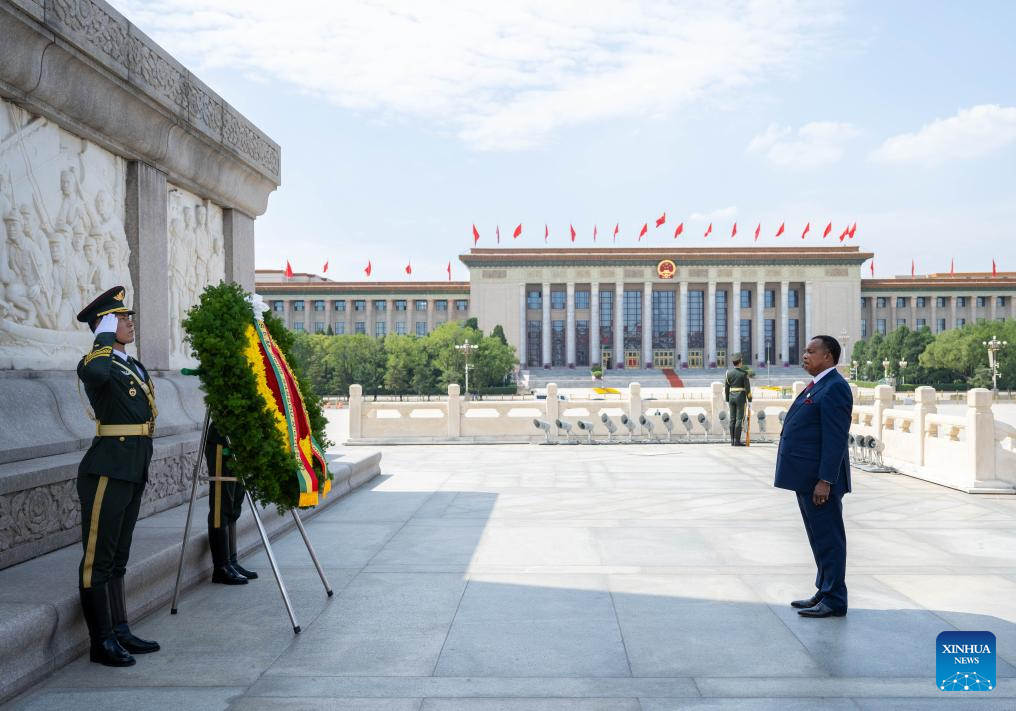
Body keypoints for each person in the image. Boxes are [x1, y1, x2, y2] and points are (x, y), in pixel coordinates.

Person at [75, 286, 160, 666]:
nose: (130, 323)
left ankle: (120, 629)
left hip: (131, 465)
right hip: (107, 467)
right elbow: (95, 372)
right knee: (99, 558)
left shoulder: (130, 364)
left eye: (127, 317)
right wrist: (103, 338)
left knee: (119, 556)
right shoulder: (95, 362)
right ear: (104, 325)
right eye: (121, 318)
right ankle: (101, 640)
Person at [774, 335, 853, 618]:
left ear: (828, 357)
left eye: (811, 351)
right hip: (806, 477)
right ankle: (824, 589)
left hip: (820, 482)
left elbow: (835, 439)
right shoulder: (820, 385)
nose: (804, 355)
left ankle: (834, 599)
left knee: (829, 538)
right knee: (818, 537)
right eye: (804, 350)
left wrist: (826, 480)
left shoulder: (835, 388)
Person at [204, 421, 258, 585]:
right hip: (223, 437)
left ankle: (231, 562)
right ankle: (221, 567)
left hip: (240, 435)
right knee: (222, 507)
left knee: (234, 506)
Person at [724, 354, 752, 446]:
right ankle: (737, 441)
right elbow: (748, 389)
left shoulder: (728, 373)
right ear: (740, 362)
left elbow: (726, 387)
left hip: (731, 397)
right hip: (740, 398)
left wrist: (727, 399)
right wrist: (750, 400)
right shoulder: (744, 374)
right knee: (739, 419)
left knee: (732, 419)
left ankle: (732, 440)